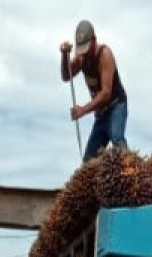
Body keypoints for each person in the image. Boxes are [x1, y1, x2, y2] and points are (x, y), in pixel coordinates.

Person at [60, 19, 128, 162]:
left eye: (87, 47)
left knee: (117, 139)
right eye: (81, 48)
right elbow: (67, 76)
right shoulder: (81, 58)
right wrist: (64, 56)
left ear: (94, 40)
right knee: (89, 160)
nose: (84, 52)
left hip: (116, 105)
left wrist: (82, 110)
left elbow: (106, 93)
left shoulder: (105, 55)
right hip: (101, 113)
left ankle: (131, 172)